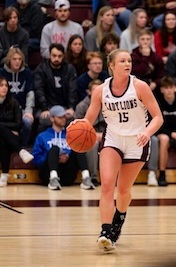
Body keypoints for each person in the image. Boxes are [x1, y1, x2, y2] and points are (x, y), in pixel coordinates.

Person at [69, 49, 163, 251]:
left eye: (129, 60)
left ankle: (119, 219)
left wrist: (147, 132)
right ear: (111, 65)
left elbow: (158, 117)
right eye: (122, 61)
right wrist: (80, 124)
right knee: (107, 185)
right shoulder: (100, 90)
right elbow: (89, 120)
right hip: (113, 139)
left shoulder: (140, 87)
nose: (127, 64)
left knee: (123, 190)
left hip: (137, 141)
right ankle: (105, 231)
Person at [32, 105, 95, 190]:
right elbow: (35, 159)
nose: (63, 119)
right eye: (60, 117)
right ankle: (53, 179)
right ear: (52, 118)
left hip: (67, 173)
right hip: (48, 174)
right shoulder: (42, 136)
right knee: (55, 149)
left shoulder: (71, 135)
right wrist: (53, 158)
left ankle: (86, 178)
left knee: (79, 146)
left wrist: (67, 156)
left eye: (64, 117)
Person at [34, 43, 78, 133]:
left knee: (73, 119)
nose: (56, 59)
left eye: (59, 56)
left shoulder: (69, 69)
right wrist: (44, 108)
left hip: (64, 107)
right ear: (49, 55)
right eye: (54, 56)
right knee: (44, 119)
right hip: (47, 107)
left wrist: (71, 107)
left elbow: (72, 90)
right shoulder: (41, 69)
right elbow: (39, 89)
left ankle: (69, 145)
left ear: (63, 56)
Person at [0, 76, 34, 187]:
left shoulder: (14, 102)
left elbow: (18, 124)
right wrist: (9, 130)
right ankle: (20, 151)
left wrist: (5, 130)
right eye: (1, 85)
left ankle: (4, 175)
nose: (4, 88)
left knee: (3, 141)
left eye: (6, 85)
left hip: (12, 136)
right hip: (12, 135)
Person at [0, 48, 34, 146]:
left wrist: (28, 111)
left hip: (22, 109)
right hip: (4, 110)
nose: (17, 61)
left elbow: (30, 93)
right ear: (9, 60)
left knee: (27, 122)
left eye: (20, 59)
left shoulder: (27, 73)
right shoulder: (1, 72)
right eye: (14, 59)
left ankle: (22, 147)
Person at [74, 79, 105, 186]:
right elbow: (77, 129)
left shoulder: (109, 104)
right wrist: (93, 134)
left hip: (106, 134)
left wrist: (104, 135)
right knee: (94, 144)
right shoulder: (81, 106)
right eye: (95, 91)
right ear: (89, 92)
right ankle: (93, 176)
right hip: (86, 136)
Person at [131, 28, 165, 97]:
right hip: (136, 86)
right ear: (138, 40)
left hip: (153, 87)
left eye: (148, 39)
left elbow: (161, 75)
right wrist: (145, 57)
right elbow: (138, 73)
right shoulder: (133, 56)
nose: (145, 42)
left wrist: (155, 83)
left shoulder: (157, 57)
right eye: (142, 39)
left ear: (151, 41)